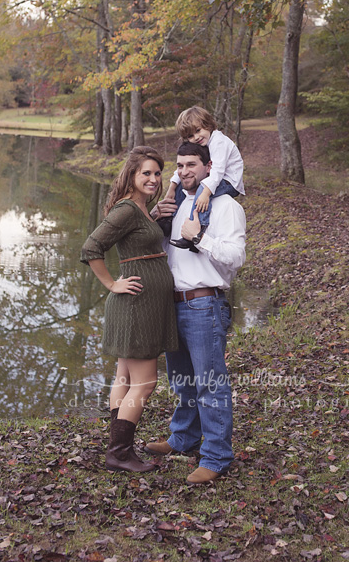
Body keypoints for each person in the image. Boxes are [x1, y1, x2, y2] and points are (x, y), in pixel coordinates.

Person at [146, 141, 246, 485]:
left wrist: (200, 236)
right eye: (180, 165)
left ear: (208, 167)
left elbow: (236, 257)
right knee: (182, 381)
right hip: (174, 304)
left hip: (205, 304)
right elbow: (169, 254)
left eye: (192, 164)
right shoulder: (179, 204)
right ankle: (183, 438)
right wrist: (156, 221)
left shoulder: (224, 206)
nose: (185, 171)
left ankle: (217, 457)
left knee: (210, 383)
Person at [80, 146, 178, 472]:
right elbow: (92, 246)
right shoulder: (127, 210)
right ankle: (119, 453)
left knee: (124, 375)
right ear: (132, 176)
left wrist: (156, 214)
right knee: (145, 382)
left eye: (156, 172)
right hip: (137, 304)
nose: (152, 178)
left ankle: (118, 447)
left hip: (141, 304)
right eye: (145, 173)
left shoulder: (141, 208)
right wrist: (111, 284)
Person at [164, 106, 245, 251]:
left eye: (198, 130)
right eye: (190, 136)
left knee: (202, 190)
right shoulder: (201, 143)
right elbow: (180, 170)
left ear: (208, 125)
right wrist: (172, 188)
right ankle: (168, 221)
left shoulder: (218, 142)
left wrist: (205, 194)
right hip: (217, 177)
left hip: (229, 181)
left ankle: (197, 229)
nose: (195, 138)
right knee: (181, 185)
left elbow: (218, 171)